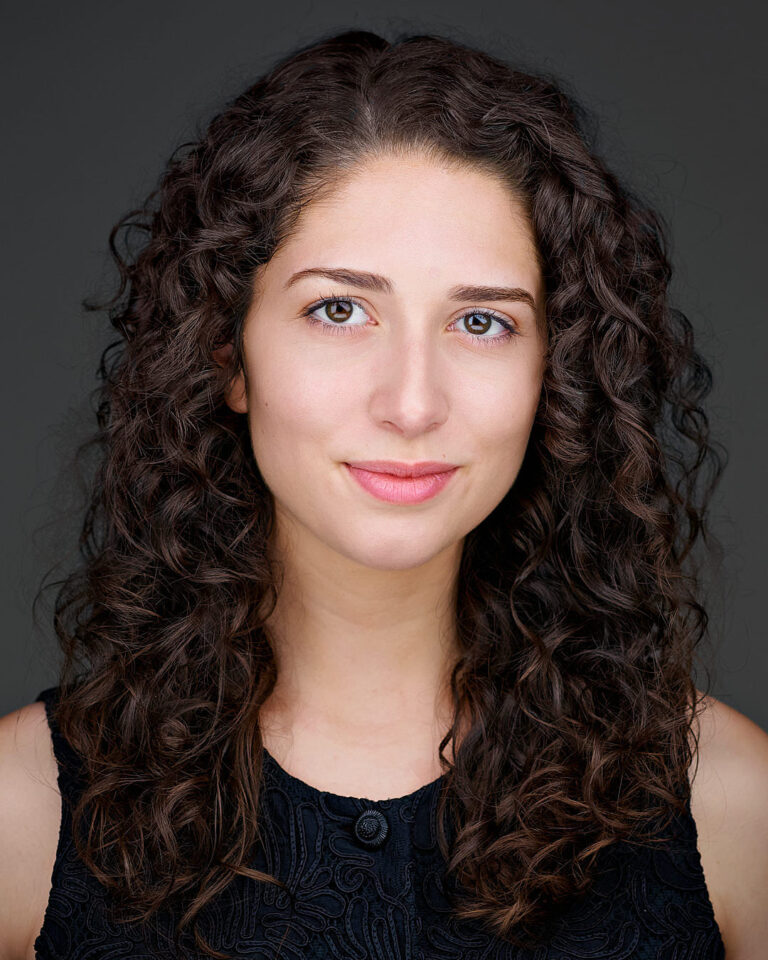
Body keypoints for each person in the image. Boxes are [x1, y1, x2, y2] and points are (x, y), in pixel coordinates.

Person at [0, 27, 766, 960]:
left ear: (553, 375)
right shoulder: (22, 812)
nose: (412, 403)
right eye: (339, 310)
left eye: (481, 322)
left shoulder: (726, 800)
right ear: (225, 353)